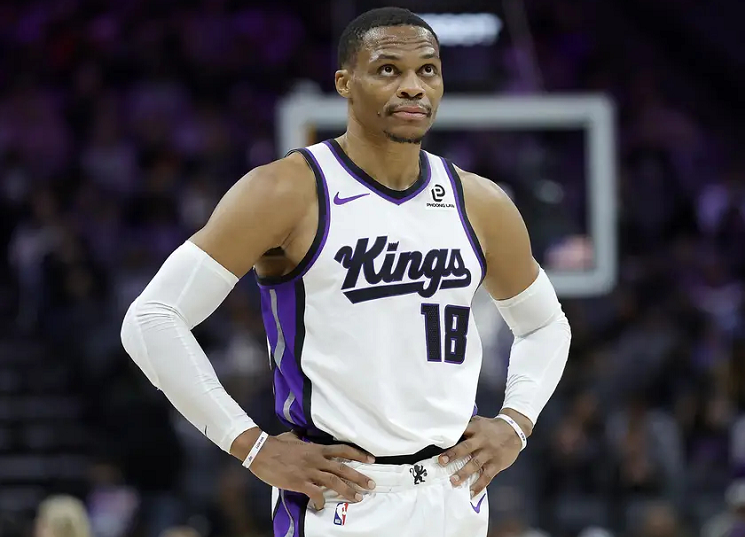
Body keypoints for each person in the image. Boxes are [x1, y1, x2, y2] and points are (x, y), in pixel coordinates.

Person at [120, 7, 571, 537]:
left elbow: (546, 325)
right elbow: (151, 319)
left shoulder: (480, 202)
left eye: (427, 70)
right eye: (388, 69)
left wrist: (516, 422)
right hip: (340, 497)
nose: (412, 86)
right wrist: (251, 446)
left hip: (454, 493)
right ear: (344, 83)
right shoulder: (287, 190)